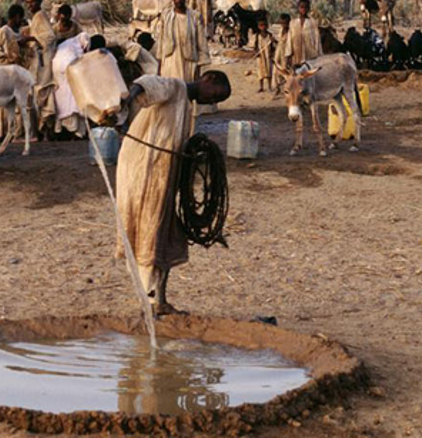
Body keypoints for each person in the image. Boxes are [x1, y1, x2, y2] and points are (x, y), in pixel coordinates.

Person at [116, 70, 231, 314]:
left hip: (162, 173)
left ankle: (160, 300)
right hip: (143, 168)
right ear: (208, 79)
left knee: (168, 234)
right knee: (149, 231)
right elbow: (145, 83)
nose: (213, 101)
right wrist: (125, 106)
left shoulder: (186, 106)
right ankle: (148, 302)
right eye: (216, 95)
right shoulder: (174, 86)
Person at [0, 5, 29, 142]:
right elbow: (11, 53)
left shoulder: (11, 32)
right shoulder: (5, 32)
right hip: (4, 70)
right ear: (17, 16)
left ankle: (8, 132)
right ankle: (10, 133)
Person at [22, 0, 57, 135]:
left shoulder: (40, 16)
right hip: (37, 60)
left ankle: (45, 130)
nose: (30, 5)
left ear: (39, 1)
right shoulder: (36, 17)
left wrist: (31, 39)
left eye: (33, 2)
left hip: (43, 61)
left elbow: (49, 37)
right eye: (27, 3)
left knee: (42, 92)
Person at [52, 32, 90, 137]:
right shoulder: (76, 46)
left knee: (62, 99)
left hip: (58, 72)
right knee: (72, 99)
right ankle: (75, 131)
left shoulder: (67, 44)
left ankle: (62, 130)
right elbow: (80, 62)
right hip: (69, 70)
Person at [287, 0, 322, 67]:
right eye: (302, 7)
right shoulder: (293, 23)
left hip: (310, 55)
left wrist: (319, 54)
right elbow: (289, 39)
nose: (303, 9)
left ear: (308, 9)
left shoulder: (312, 22)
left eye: (306, 7)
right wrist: (288, 54)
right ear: (298, 8)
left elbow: (317, 39)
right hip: (296, 54)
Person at [251, 17, 276, 93]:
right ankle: (261, 87)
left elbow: (273, 46)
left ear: (267, 26)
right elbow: (255, 46)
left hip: (268, 55)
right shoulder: (257, 36)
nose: (263, 27)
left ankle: (269, 86)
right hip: (260, 56)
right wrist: (256, 52)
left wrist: (272, 53)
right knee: (260, 72)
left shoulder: (270, 35)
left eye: (264, 25)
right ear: (258, 27)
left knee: (269, 71)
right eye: (261, 25)